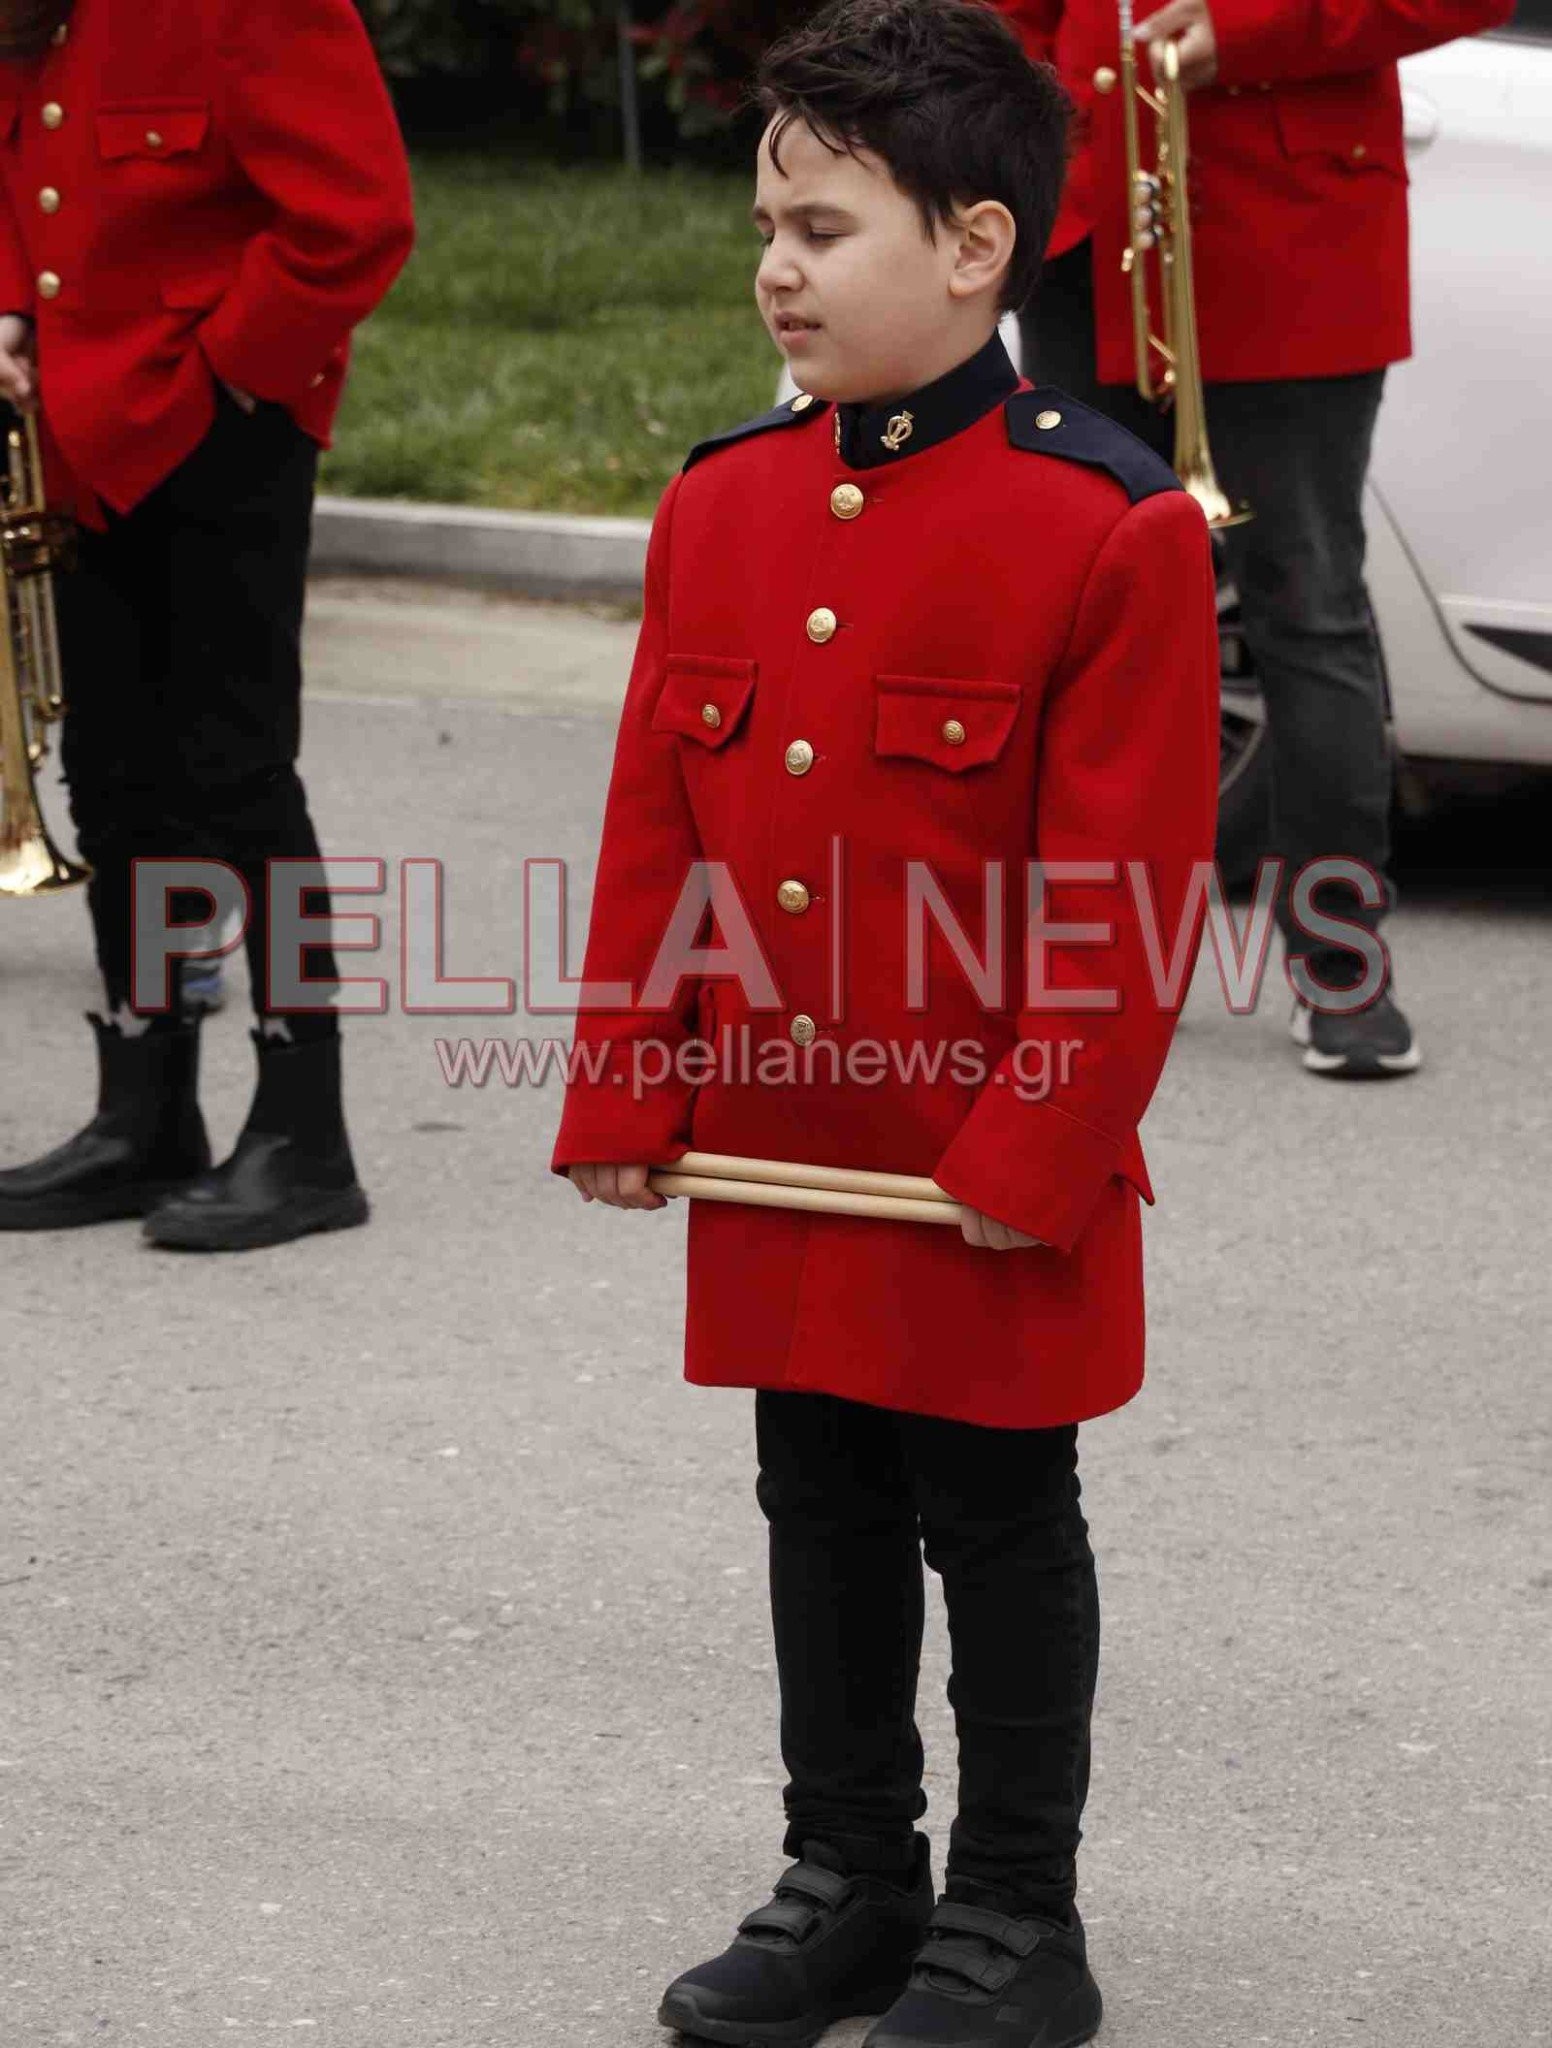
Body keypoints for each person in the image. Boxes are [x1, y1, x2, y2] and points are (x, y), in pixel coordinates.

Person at [550, 4, 1219, 2044]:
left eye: (823, 225)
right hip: (775, 1138)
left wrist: (1027, 1152)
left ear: (976, 247)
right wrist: (623, 1074)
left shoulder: (1100, 527)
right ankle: (846, 1869)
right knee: (814, 1504)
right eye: (766, 218)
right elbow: (659, 820)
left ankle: (1019, 1917)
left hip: (973, 1168)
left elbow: (1121, 904)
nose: (775, 264)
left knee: (996, 1521)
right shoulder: (719, 506)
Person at [1000, 0, 1512, 1077]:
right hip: (1094, 231)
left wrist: (1242, 30)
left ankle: (1340, 969)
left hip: (1292, 231)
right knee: (1094, 621)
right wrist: (1032, 111)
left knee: (1306, 604)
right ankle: (1101, 961)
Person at [0, 0, 414, 1248]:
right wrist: (9, 314)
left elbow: (359, 220)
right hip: (79, 433)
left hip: (227, 428)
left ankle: (306, 1125)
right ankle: (148, 1106)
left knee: (235, 779)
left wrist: (232, 369)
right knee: (116, 777)